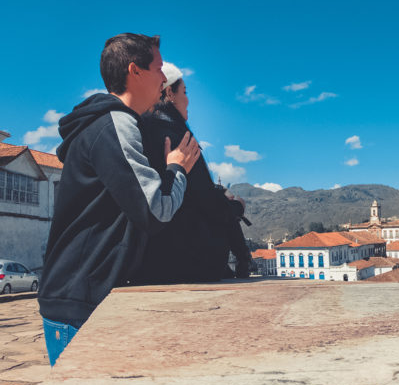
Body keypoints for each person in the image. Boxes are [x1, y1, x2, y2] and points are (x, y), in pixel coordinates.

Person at [38, 34, 201, 366]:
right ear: (134, 71)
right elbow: (156, 211)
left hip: (77, 296)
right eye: (157, 68)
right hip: (80, 303)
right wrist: (177, 169)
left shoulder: (104, 124)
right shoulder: (115, 124)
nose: (163, 77)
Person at [134, 62, 253, 284]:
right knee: (225, 203)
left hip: (148, 259)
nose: (188, 100)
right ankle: (245, 260)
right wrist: (237, 207)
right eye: (185, 92)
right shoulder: (177, 136)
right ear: (169, 92)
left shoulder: (141, 129)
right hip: (186, 260)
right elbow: (205, 201)